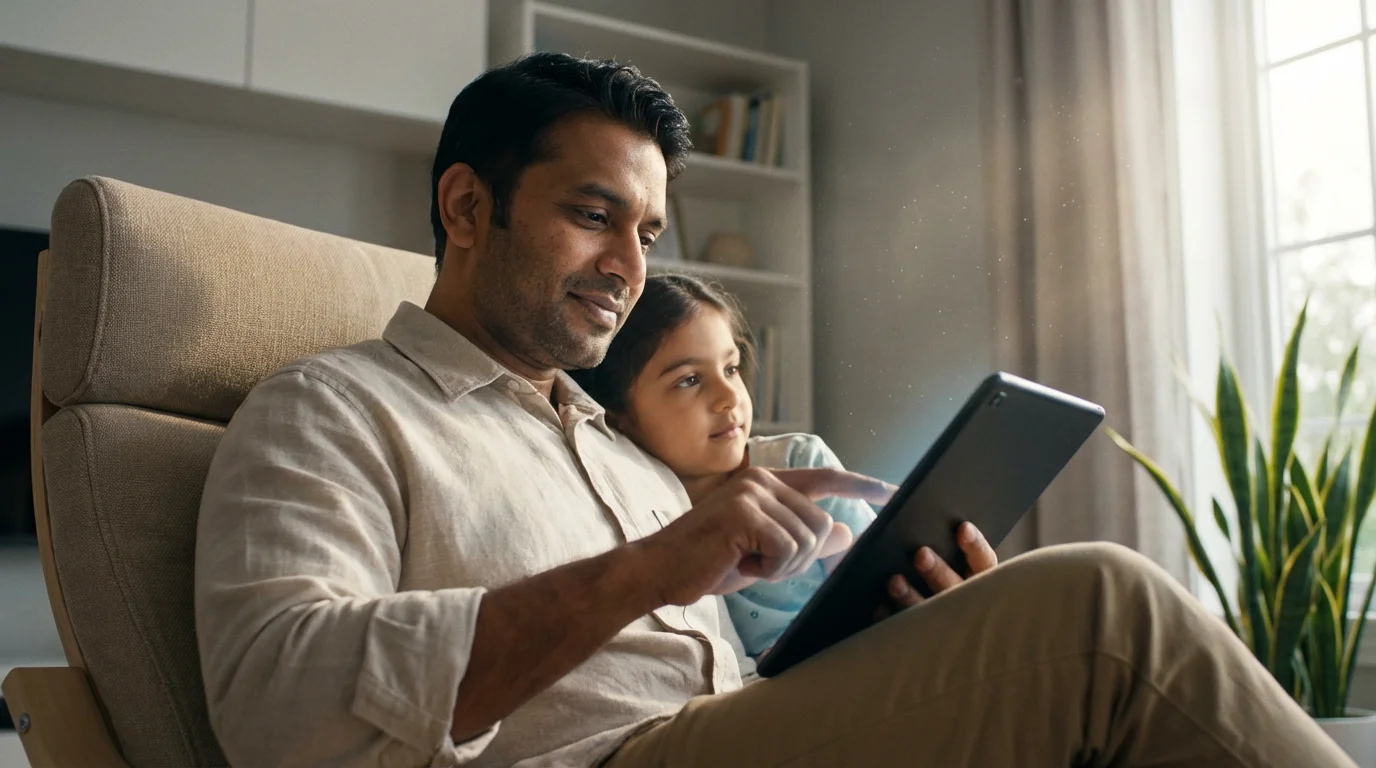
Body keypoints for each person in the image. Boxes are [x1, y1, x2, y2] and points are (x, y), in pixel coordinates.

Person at [194, 51, 1355, 767]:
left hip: (736, 732)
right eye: (592, 215)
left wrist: (903, 633)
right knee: (1100, 605)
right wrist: (646, 570)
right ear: (464, 207)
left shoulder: (618, 450)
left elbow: (736, 694)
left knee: (1059, 662)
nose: (627, 267)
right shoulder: (333, 411)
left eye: (646, 232)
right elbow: (277, 707)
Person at [569, 273, 879, 658]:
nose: (729, 397)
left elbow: (879, 587)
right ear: (619, 417)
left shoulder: (799, 462)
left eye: (731, 369)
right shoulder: (645, 524)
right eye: (690, 380)